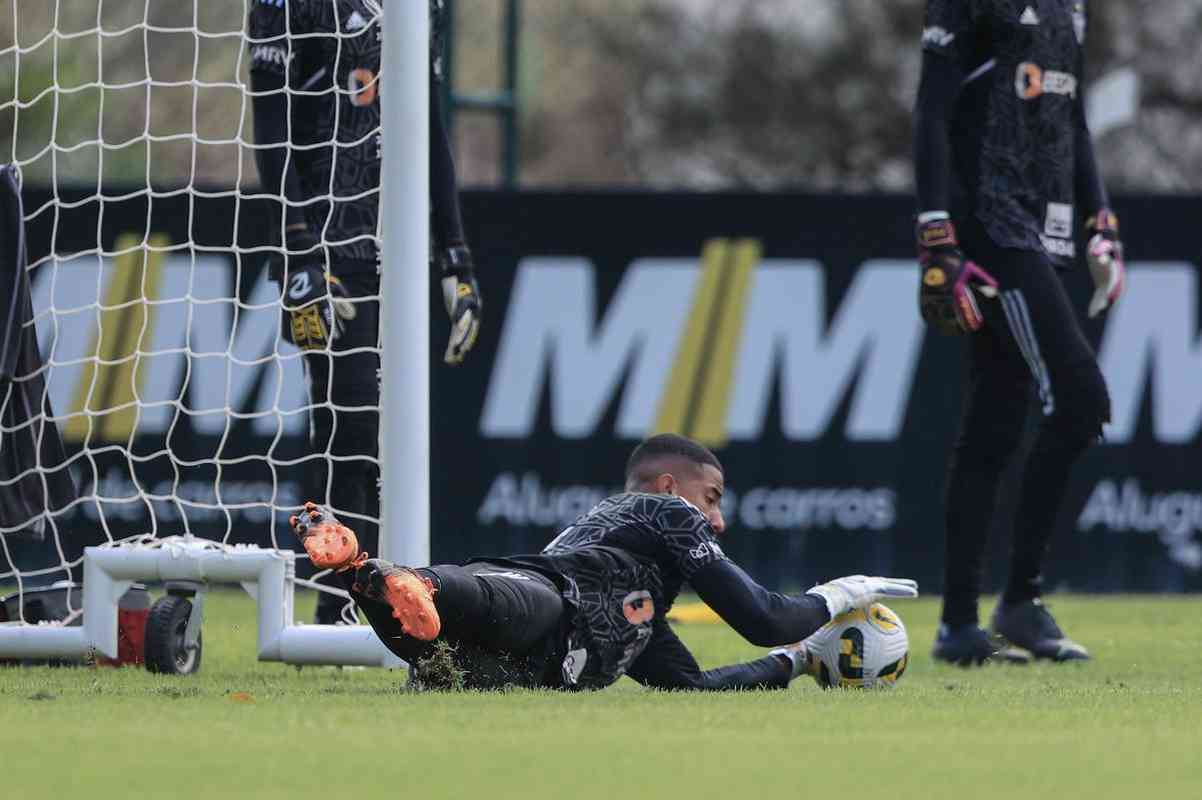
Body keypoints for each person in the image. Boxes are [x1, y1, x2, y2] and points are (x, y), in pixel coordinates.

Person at [290, 434, 919, 690]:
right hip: (542, 597)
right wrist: (841, 592)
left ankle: (368, 578)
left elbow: (690, 689)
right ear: (671, 488)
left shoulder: (639, 608)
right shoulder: (663, 513)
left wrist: (798, 661)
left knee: (442, 660)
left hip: (527, 670)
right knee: (507, 601)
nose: (718, 519)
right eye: (713, 499)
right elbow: (762, 616)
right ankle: (406, 577)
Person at [248, 0, 481, 623]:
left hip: (399, 250)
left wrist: (454, 257)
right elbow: (272, 124)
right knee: (349, 428)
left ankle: (365, 604)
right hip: (328, 248)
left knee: (386, 435)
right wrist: (296, 248)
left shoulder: (420, 6)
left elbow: (429, 125)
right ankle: (337, 609)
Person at [913, 1, 1124, 664]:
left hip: (1046, 226)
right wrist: (937, 235)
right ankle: (1020, 601)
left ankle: (958, 626)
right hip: (991, 227)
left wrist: (1101, 218)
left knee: (996, 419)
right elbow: (931, 112)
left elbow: (1072, 116)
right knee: (1081, 397)